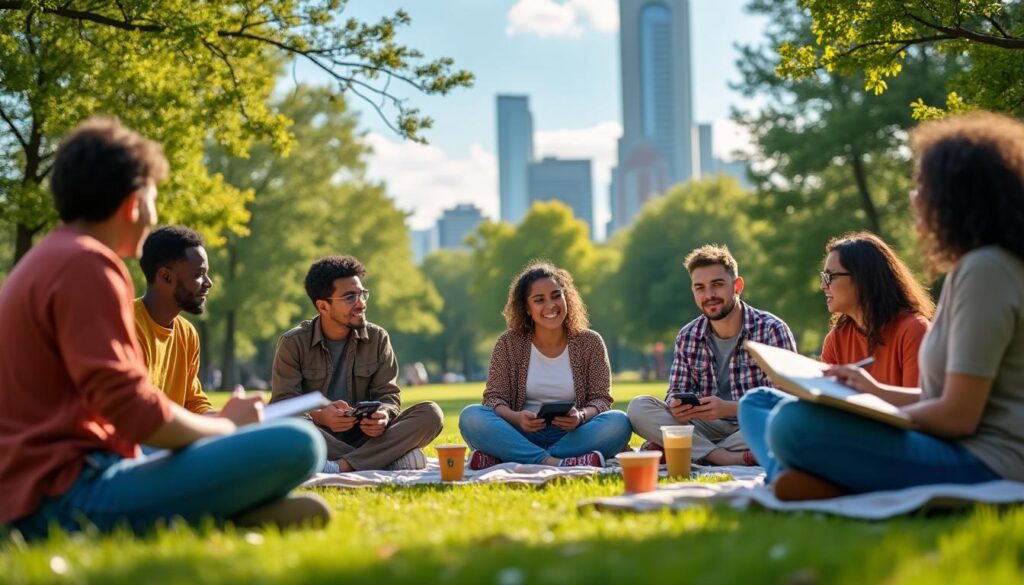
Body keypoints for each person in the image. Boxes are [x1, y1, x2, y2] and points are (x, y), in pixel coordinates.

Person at [0, 118, 327, 539]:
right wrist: (229, 426)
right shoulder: (89, 265)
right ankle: (211, 514)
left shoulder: (42, 260)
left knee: (232, 446)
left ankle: (207, 515)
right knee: (300, 443)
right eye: (153, 201)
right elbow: (136, 413)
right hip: (65, 496)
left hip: (36, 486)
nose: (152, 218)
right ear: (134, 203)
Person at [739, 111, 1024, 500]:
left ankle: (812, 477)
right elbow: (941, 397)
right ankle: (817, 478)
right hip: (958, 445)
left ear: (957, 196)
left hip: (985, 461)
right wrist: (873, 392)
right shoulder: (974, 268)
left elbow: (958, 416)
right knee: (762, 403)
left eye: (922, 186)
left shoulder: (985, 270)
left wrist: (870, 415)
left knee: (793, 424)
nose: (914, 198)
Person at [627, 244, 797, 466]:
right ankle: (723, 457)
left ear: (737, 286)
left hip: (752, 423)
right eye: (700, 288)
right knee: (639, 407)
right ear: (693, 292)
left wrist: (728, 407)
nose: (709, 295)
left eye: (717, 285)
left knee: (786, 423)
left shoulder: (771, 330)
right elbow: (676, 391)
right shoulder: (688, 336)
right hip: (704, 426)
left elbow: (788, 398)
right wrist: (677, 404)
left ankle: (685, 449)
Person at [271, 255, 443, 473]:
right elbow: (283, 403)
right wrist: (320, 415)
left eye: (362, 294)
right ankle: (385, 459)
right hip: (318, 433)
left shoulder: (378, 337)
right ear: (323, 306)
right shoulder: (293, 343)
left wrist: (383, 415)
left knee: (431, 413)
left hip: (369, 437)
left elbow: (388, 396)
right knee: (285, 430)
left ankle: (340, 466)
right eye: (350, 297)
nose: (361, 303)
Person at [459, 262, 633, 469]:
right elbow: (493, 398)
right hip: (520, 432)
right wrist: (516, 418)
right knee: (471, 416)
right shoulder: (509, 343)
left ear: (566, 297)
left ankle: (510, 456)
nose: (551, 305)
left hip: (574, 435)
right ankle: (553, 461)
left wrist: (581, 416)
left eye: (556, 295)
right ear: (527, 308)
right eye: (539, 300)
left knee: (619, 422)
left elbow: (601, 399)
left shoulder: (590, 342)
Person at [819, 232, 933, 392]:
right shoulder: (835, 340)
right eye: (823, 277)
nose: (823, 286)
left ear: (862, 278)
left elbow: (922, 403)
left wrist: (873, 391)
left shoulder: (914, 330)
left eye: (830, 276)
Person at [135, 225, 215, 413]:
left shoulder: (187, 334)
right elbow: (137, 414)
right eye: (199, 275)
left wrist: (232, 416)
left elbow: (194, 403)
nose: (208, 283)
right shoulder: (127, 327)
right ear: (165, 276)